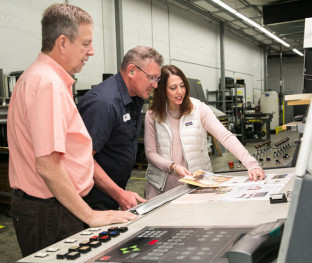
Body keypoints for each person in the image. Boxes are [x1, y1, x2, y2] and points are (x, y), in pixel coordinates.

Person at [7, 4, 136, 257]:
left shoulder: (40, 77)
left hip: (52, 208)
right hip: (51, 211)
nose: (91, 51)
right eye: (85, 44)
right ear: (63, 42)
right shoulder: (48, 84)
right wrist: (90, 215)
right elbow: (48, 166)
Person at [144, 65, 265, 199]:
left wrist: (251, 164)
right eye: (173, 88)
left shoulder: (198, 109)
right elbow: (150, 153)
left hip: (195, 186)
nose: (180, 91)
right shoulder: (152, 115)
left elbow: (225, 136)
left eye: (182, 85)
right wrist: (172, 167)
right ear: (162, 91)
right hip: (161, 188)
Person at [78, 46, 163, 210]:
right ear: (131, 71)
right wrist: (118, 193)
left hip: (108, 195)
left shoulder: (134, 98)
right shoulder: (104, 104)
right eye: (151, 78)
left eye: (157, 79)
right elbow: (83, 159)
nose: (155, 85)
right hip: (90, 200)